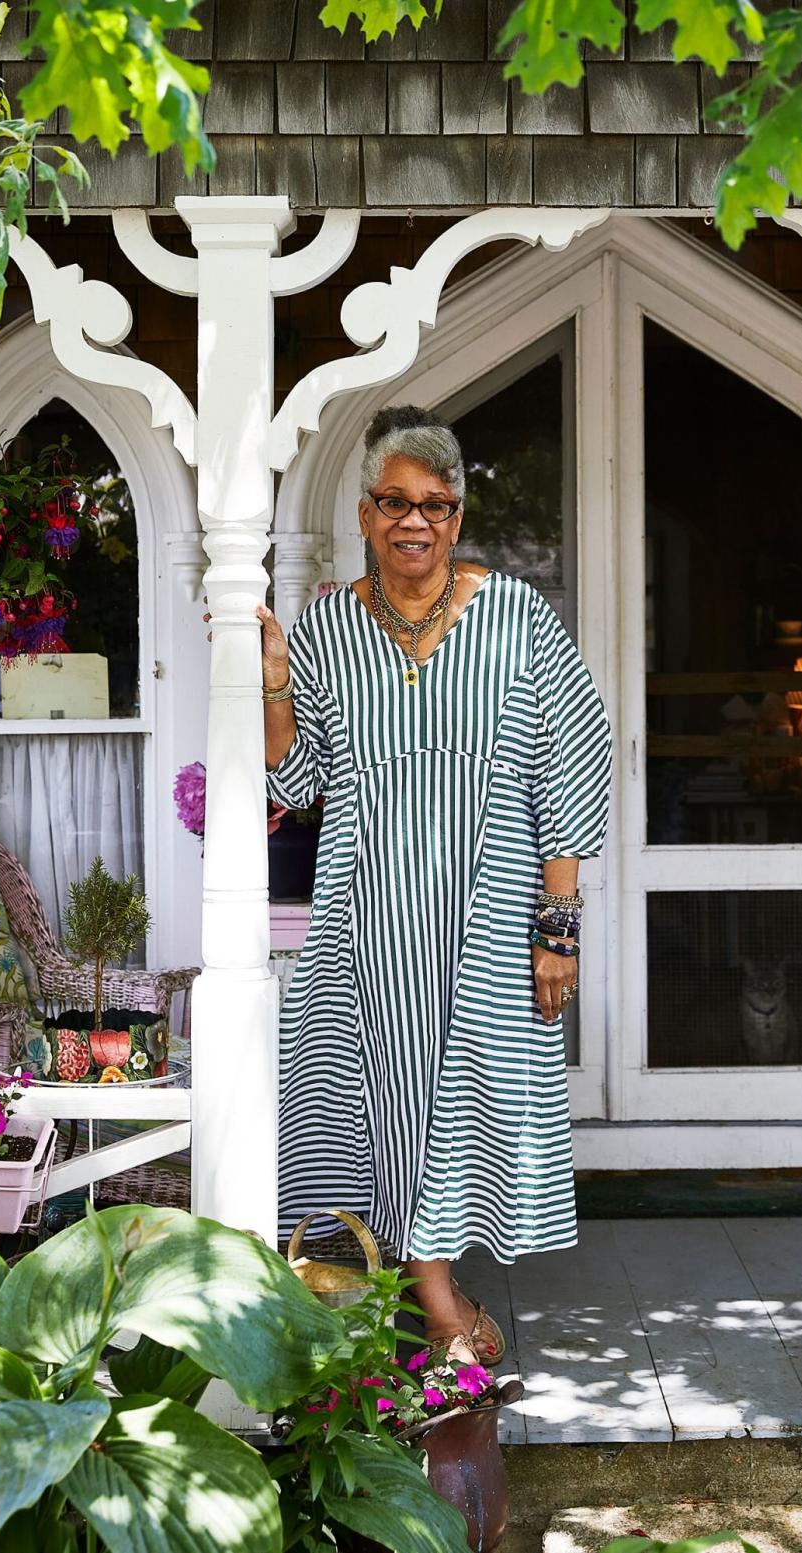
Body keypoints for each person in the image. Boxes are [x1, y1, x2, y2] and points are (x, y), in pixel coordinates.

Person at [260, 405, 612, 1362]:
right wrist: (278, 687)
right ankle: (439, 1305)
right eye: (393, 503)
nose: (414, 521)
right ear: (366, 512)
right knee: (380, 1098)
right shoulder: (329, 624)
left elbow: (573, 760)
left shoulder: (517, 617)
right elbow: (296, 784)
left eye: (436, 504)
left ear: (458, 516)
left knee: (457, 1098)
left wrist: (559, 923)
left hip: (488, 912)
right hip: (368, 915)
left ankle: (426, 1295)